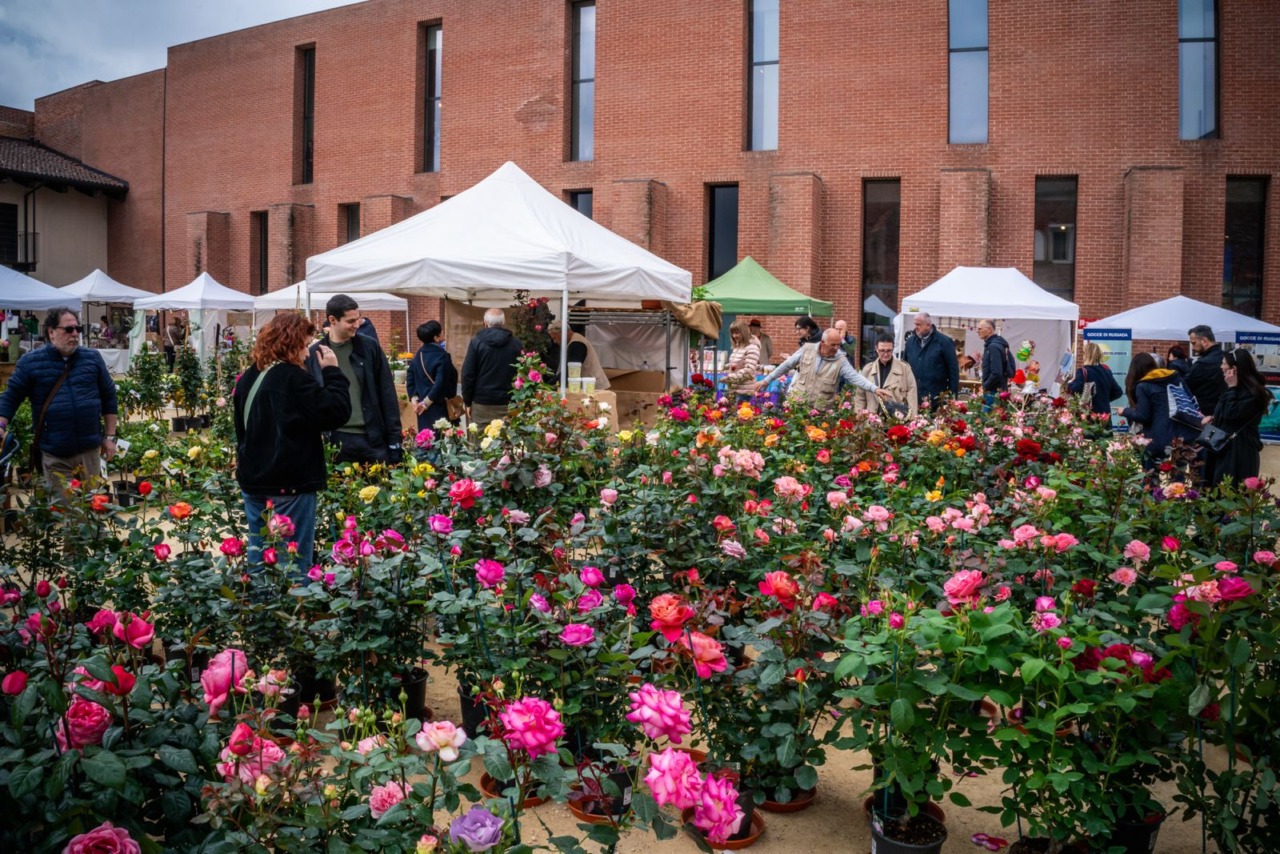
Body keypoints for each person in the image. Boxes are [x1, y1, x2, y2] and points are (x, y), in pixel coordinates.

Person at [234, 313, 351, 571]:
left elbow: (241, 430)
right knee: (293, 563)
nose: (308, 354)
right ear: (293, 342)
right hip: (290, 483)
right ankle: (294, 610)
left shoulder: (250, 377)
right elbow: (335, 412)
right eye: (305, 345)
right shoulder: (293, 378)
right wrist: (332, 371)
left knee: (259, 558)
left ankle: (259, 605)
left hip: (254, 481)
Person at [0, 307, 119, 493]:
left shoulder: (92, 358)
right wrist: (1, 424)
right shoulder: (31, 362)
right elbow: (11, 396)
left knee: (91, 510)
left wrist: (110, 437)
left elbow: (108, 396)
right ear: (51, 332)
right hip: (55, 453)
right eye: (69, 329)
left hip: (89, 452)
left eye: (77, 329)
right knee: (67, 512)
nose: (75, 334)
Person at [304, 294, 403, 464]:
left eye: (358, 319)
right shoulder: (314, 354)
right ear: (332, 320)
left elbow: (387, 393)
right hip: (334, 439)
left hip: (372, 437)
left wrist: (394, 439)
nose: (357, 325)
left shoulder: (370, 347)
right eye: (350, 321)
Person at [754, 328, 888, 409]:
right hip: (797, 406)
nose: (837, 348)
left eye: (838, 345)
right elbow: (786, 365)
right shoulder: (806, 349)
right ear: (823, 343)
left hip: (820, 410)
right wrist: (766, 381)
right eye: (833, 345)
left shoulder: (841, 359)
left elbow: (855, 377)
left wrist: (874, 388)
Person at [1116, 352, 1199, 471]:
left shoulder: (1143, 386)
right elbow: (1191, 400)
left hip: (1156, 438)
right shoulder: (1175, 378)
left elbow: (1143, 416)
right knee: (1179, 479)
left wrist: (1125, 411)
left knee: (1151, 476)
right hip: (1182, 435)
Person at [1201, 348, 1269, 489]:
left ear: (1234, 369)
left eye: (1224, 363)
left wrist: (1232, 387)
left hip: (1239, 451)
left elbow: (1233, 414)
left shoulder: (1253, 393)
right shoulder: (1233, 390)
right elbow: (1227, 413)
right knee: (1214, 489)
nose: (1221, 367)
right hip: (1222, 446)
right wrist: (1214, 418)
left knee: (1230, 491)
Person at [461, 308, 523, 429]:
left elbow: (468, 374)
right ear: (503, 322)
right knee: (506, 442)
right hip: (508, 402)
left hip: (481, 403)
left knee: (480, 443)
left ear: (485, 322)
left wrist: (467, 402)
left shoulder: (476, 342)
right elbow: (522, 373)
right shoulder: (516, 343)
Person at [406, 320, 458, 430]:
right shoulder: (442, 356)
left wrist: (415, 399)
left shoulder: (418, 354)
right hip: (439, 405)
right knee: (442, 441)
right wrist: (426, 402)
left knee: (426, 440)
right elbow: (441, 382)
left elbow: (410, 376)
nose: (443, 332)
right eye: (441, 331)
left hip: (422, 408)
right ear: (436, 337)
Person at [854, 333, 918, 419]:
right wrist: (858, 417)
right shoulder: (867, 370)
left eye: (889, 351)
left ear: (893, 349)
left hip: (896, 421)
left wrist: (912, 419)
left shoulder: (904, 369)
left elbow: (912, 396)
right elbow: (860, 397)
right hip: (871, 422)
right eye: (882, 350)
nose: (885, 354)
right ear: (876, 349)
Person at [902, 312, 960, 406]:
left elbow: (953, 371)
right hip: (913, 397)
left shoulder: (944, 342)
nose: (915, 327)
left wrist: (952, 397)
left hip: (936, 399)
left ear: (928, 325)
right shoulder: (910, 342)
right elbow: (904, 367)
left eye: (918, 324)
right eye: (915, 324)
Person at [547, 321, 611, 390]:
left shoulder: (576, 344)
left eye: (554, 338)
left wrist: (548, 385)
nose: (554, 341)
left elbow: (569, 371)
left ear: (563, 333)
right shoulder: (575, 340)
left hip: (594, 387)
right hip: (590, 386)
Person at [1066, 341, 1123, 416]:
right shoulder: (1107, 371)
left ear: (1086, 355)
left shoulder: (1083, 371)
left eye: (1083, 353)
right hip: (1105, 415)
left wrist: (1070, 383)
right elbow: (1118, 392)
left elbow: (1075, 389)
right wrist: (1103, 400)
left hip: (1089, 415)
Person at [1186, 325, 1228, 416]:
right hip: (1225, 412)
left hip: (1204, 415)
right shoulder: (1229, 358)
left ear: (1204, 341)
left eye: (1193, 343)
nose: (1193, 348)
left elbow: (1186, 386)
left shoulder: (1202, 364)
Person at [976, 319, 1014, 405]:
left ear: (989, 330)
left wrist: (985, 386)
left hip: (993, 391)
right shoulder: (994, 345)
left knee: (988, 417)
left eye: (980, 329)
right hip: (996, 390)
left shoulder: (993, 347)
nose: (977, 331)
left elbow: (996, 372)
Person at [723, 319, 761, 403]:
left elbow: (749, 370)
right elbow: (739, 365)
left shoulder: (752, 347)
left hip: (744, 392)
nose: (734, 335)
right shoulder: (738, 347)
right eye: (732, 333)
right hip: (736, 389)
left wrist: (731, 378)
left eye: (737, 332)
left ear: (743, 332)